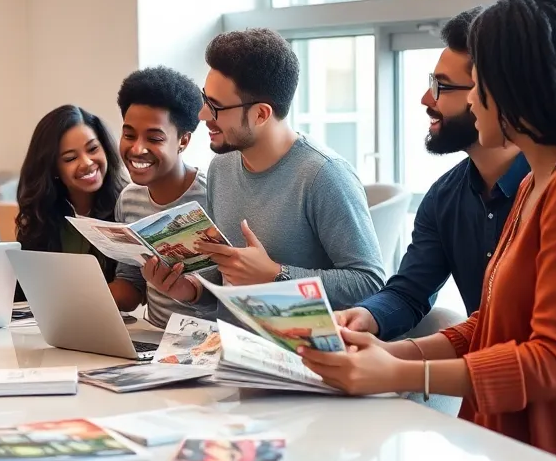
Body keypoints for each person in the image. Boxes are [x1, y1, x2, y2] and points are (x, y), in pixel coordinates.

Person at [300, 0, 556, 461]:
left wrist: (404, 373)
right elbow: (495, 324)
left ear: (520, 88)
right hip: (521, 459)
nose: (473, 100)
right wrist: (391, 355)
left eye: (479, 85)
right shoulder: (537, 184)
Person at [143, 28, 384, 316]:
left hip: (300, 354)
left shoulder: (324, 176)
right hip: (229, 349)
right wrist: (191, 289)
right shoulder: (221, 167)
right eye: (204, 99)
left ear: (261, 114)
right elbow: (228, 278)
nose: (202, 115)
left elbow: (370, 283)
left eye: (216, 107)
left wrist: (276, 275)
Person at [336, 9, 530, 340]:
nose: (426, 99)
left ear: (490, 94)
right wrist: (365, 316)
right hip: (486, 383)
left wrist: (406, 364)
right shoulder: (444, 196)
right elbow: (411, 291)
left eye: (441, 86)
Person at [108, 66, 209, 327]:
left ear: (183, 141)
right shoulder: (129, 199)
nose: (136, 148)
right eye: (128, 134)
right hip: (155, 341)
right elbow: (131, 285)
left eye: (154, 138)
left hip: (209, 343)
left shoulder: (213, 196)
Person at [15, 105, 128, 285]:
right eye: (70, 158)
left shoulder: (129, 205)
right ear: (53, 168)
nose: (87, 163)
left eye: (92, 149)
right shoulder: (41, 219)